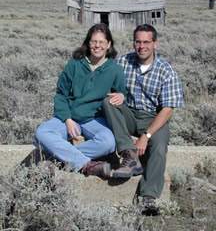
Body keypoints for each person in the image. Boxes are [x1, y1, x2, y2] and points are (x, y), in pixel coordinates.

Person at [102, 24, 183, 214]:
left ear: (155, 43)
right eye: (138, 42)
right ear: (134, 43)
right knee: (108, 102)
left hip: (153, 118)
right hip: (128, 113)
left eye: (146, 42)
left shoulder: (166, 70)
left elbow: (167, 109)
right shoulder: (122, 62)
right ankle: (129, 155)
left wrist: (146, 136)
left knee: (159, 147)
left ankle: (149, 196)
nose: (142, 46)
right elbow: (100, 74)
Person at [34, 23, 127, 178]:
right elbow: (61, 94)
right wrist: (68, 119)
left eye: (102, 42)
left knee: (108, 142)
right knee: (42, 132)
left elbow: (122, 93)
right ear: (88, 42)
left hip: (95, 120)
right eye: (93, 41)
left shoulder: (115, 70)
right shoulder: (75, 64)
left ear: (109, 44)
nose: (97, 46)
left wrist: (122, 96)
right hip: (70, 118)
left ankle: (58, 160)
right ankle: (87, 165)